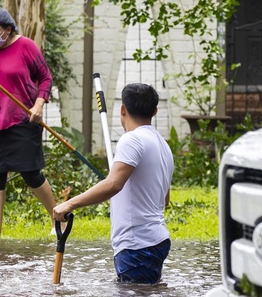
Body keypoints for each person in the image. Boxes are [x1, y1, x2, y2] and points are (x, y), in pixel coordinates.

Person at [51, 83, 174, 284]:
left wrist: (69, 204)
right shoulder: (163, 145)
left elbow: (113, 184)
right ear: (155, 111)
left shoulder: (131, 140)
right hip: (157, 240)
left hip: (136, 244)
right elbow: (164, 199)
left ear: (122, 110)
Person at [0, 6, 57, 238]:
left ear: (7, 29)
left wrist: (39, 104)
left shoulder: (26, 46)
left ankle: (59, 219)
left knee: (30, 173)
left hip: (22, 118)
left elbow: (45, 77)